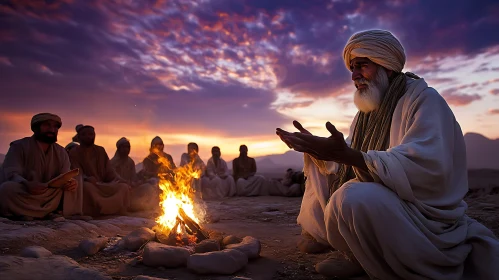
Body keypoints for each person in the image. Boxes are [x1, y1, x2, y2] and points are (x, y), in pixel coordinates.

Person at [276, 29, 499, 279]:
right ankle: (354, 250)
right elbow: (352, 153)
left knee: (352, 197)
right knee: (322, 170)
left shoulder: (424, 100)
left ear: (387, 65)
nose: (354, 75)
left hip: (422, 213)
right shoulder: (367, 111)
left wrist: (346, 156)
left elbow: (425, 167)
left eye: (362, 65)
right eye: (352, 68)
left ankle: (375, 262)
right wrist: (319, 150)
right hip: (385, 197)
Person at [0, 113, 82, 220]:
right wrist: (27, 183)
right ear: (36, 128)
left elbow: (65, 175)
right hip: (25, 191)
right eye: (47, 125)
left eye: (55, 127)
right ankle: (31, 213)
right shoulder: (19, 146)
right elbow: (11, 171)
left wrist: (70, 182)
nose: (52, 130)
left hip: (50, 193)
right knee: (6, 189)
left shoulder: (61, 151)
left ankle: (54, 211)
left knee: (76, 184)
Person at [69, 125, 130, 217]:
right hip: (89, 184)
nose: (88, 137)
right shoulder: (74, 152)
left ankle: (116, 210)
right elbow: (75, 171)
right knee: (86, 187)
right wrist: (86, 178)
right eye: (84, 134)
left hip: (103, 185)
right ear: (79, 137)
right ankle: (96, 211)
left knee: (123, 186)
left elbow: (109, 170)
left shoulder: (100, 150)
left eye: (91, 134)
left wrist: (119, 179)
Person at [110, 137, 158, 211]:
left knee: (148, 187)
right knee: (123, 187)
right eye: (124, 147)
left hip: (131, 188)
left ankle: (144, 206)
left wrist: (139, 179)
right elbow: (114, 178)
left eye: (128, 147)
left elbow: (133, 177)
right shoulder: (113, 163)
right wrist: (127, 183)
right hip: (118, 188)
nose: (126, 149)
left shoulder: (130, 162)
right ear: (119, 148)